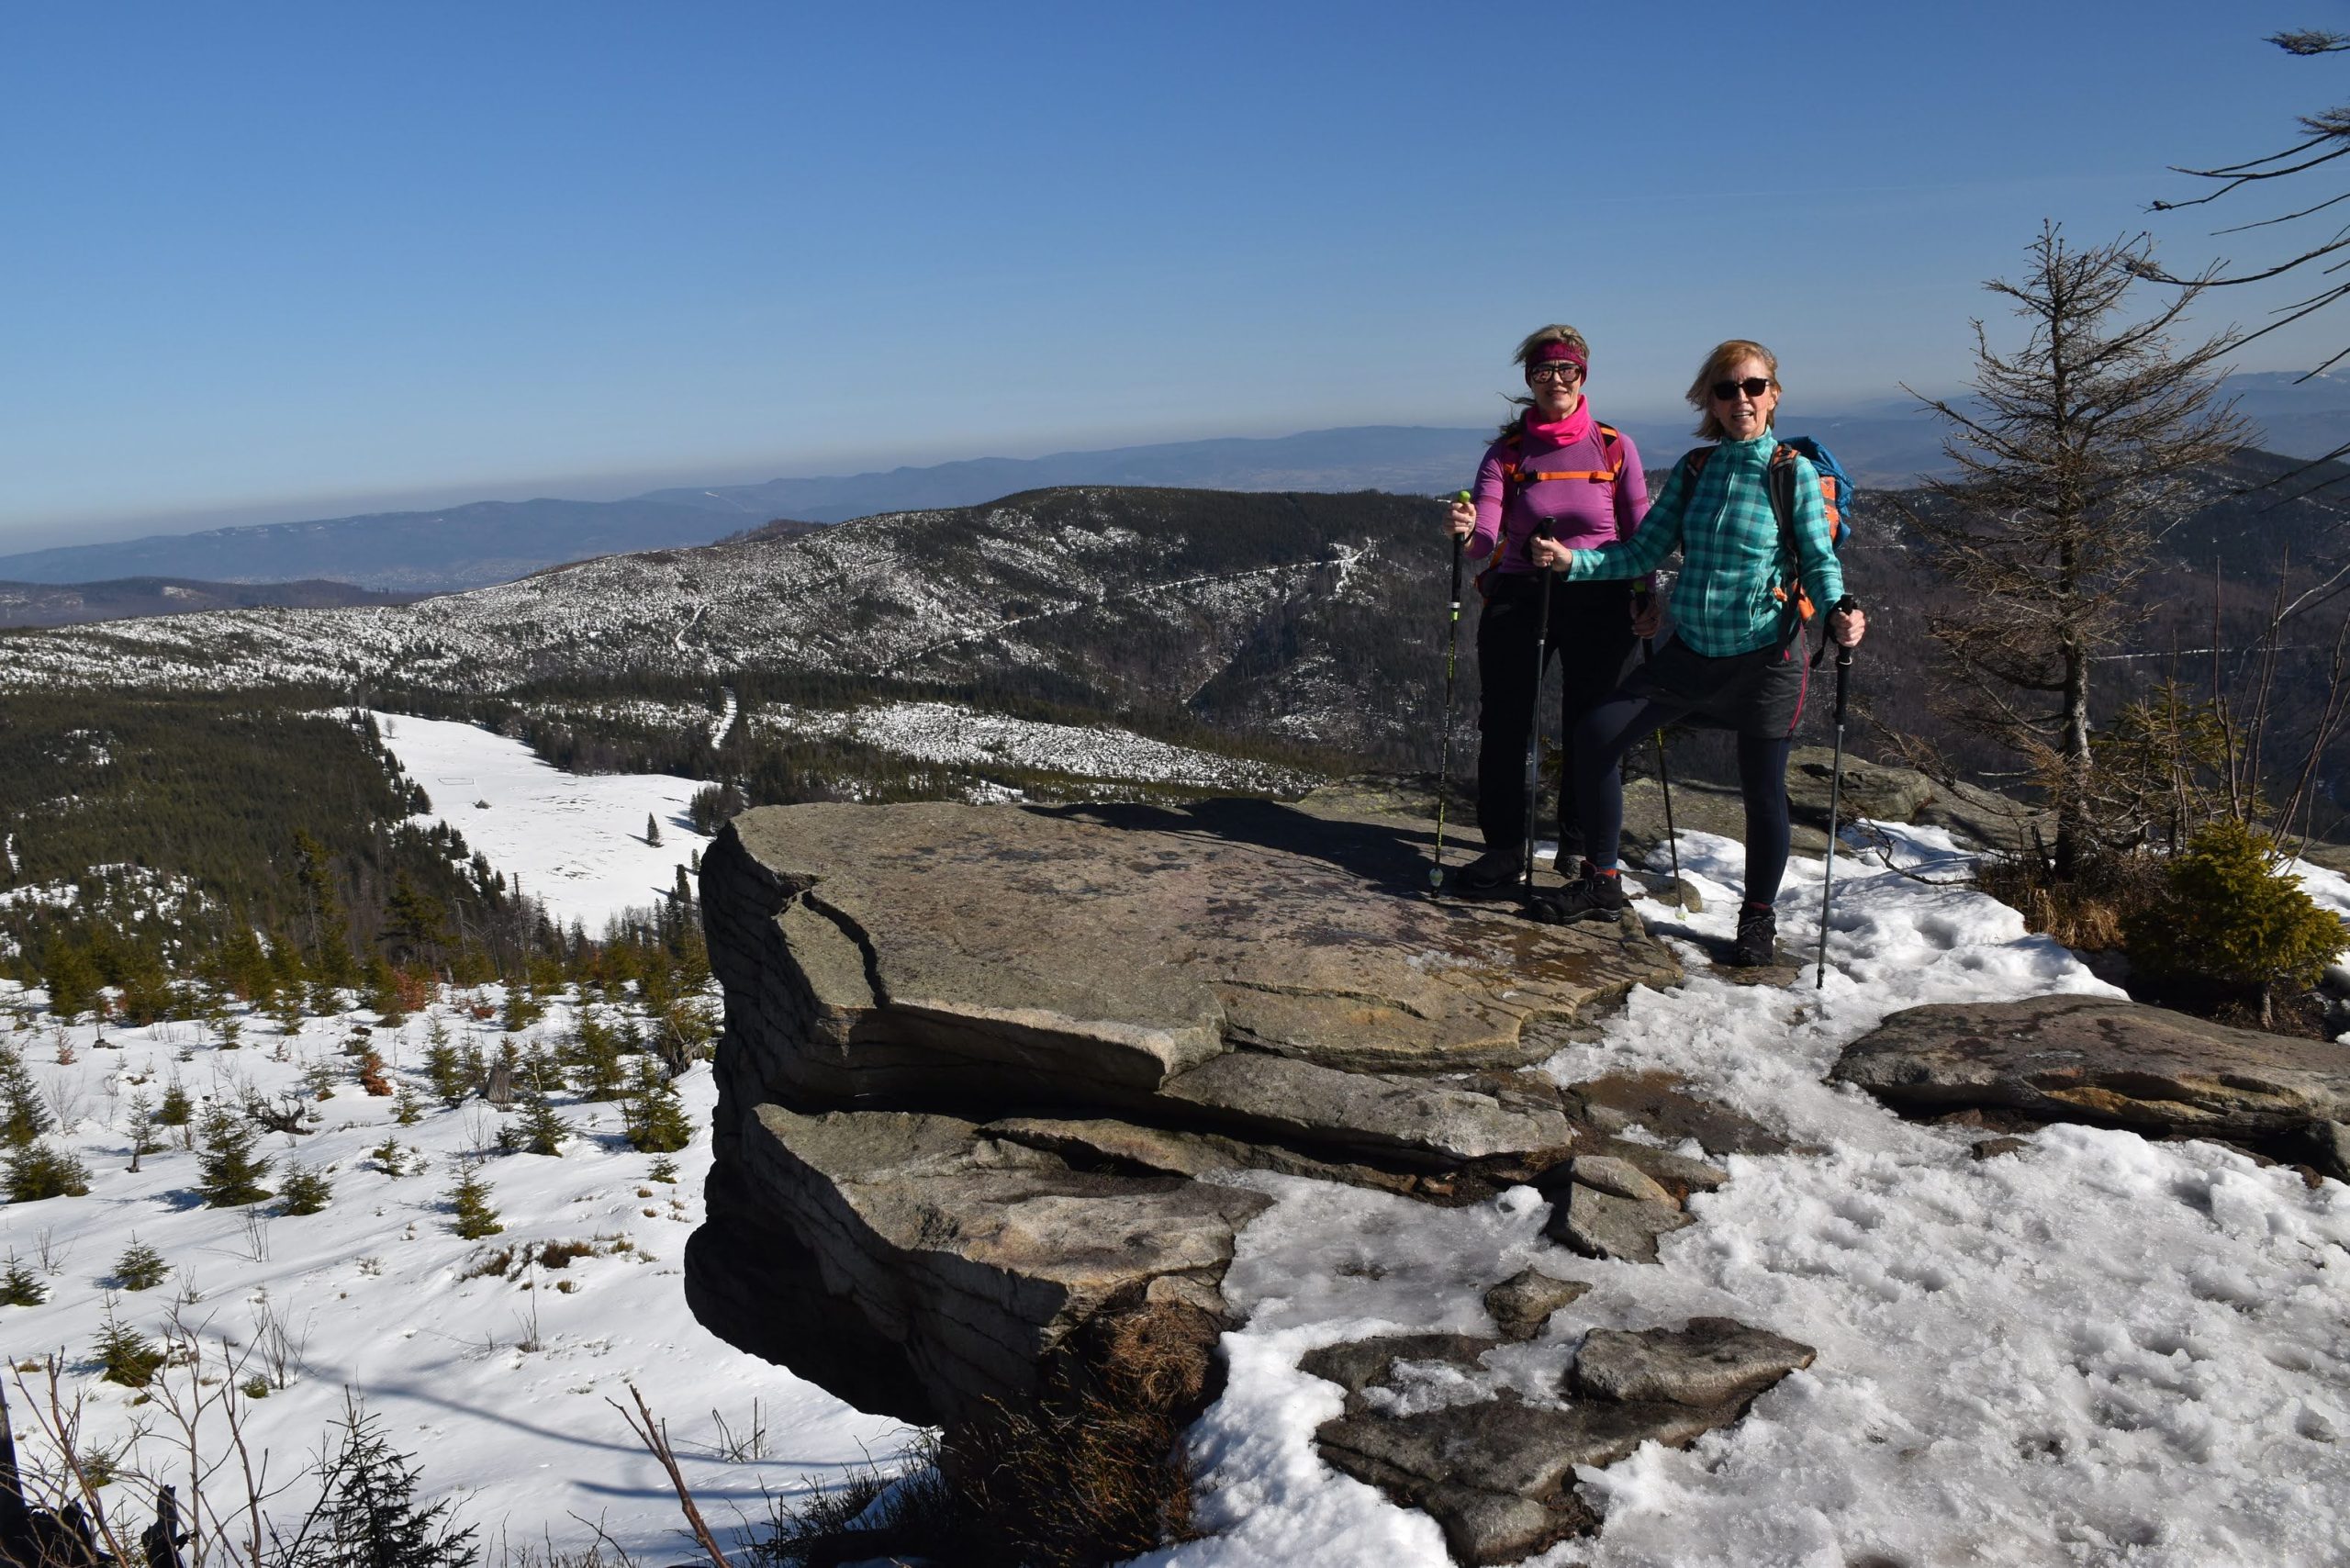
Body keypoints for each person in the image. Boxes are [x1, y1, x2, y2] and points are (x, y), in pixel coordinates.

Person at [1526, 339, 1867, 966]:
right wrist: (1573, 562)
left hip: (1766, 660)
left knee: (1762, 791)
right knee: (1596, 736)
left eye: (1754, 387)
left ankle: (1757, 918)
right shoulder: (1695, 469)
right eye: (1727, 389)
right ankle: (1603, 880)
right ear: (1708, 400)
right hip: (1691, 654)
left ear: (1774, 395)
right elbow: (1641, 551)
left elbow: (1819, 561)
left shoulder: (1789, 472)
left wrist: (1840, 609)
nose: (1742, 399)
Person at [1442, 325, 1660, 898]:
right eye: (1544, 371)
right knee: (1505, 722)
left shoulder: (1613, 446)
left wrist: (1645, 594)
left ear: (1582, 375)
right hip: (1521, 592)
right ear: (1530, 379)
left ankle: (1578, 843)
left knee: (1591, 722)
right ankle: (1504, 847)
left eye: (1566, 370)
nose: (1555, 380)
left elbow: (1640, 531)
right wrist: (1467, 530)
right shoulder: (1508, 453)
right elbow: (1484, 537)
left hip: (1600, 593)